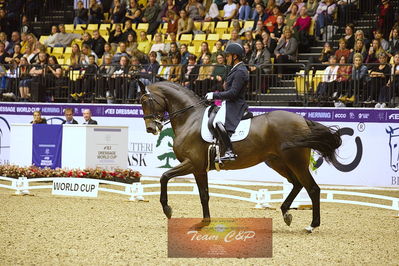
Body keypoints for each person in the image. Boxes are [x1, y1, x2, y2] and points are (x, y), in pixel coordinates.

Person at [205, 43, 249, 161]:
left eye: (228, 56)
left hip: (235, 104)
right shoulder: (234, 69)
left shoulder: (240, 71)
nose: (226, 58)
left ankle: (229, 151)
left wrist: (214, 95)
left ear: (235, 56)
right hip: (229, 102)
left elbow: (233, 93)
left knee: (217, 122)